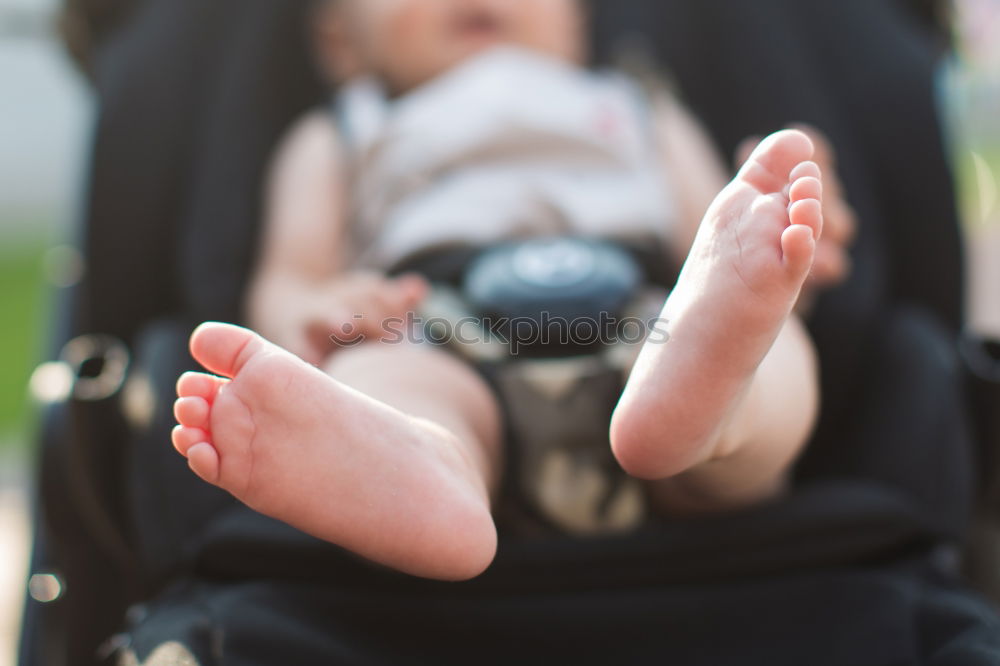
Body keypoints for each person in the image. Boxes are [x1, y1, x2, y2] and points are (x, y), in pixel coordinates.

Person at [169, 0, 854, 581]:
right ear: (340, 40)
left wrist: (777, 235)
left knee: (767, 348)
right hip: (432, 326)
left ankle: (713, 408)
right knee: (379, 374)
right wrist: (318, 314)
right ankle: (426, 464)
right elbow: (289, 278)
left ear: (578, 22)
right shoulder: (341, 133)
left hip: (656, 320)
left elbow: (714, 236)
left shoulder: (638, 107)